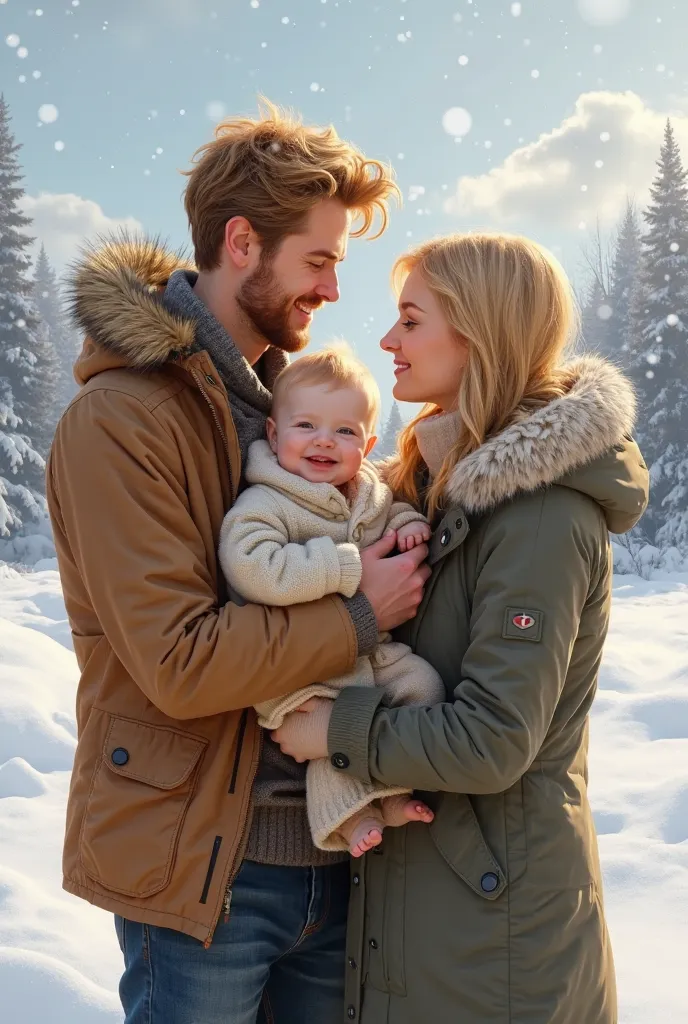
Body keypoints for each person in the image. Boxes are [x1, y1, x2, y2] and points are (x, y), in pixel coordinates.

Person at [46, 101, 431, 1024]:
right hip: (202, 877)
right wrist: (361, 609)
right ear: (243, 243)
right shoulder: (123, 422)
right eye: (319, 259)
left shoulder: (282, 418)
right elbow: (179, 663)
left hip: (332, 854)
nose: (335, 289)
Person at [273, 232, 650, 1024]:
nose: (387, 342)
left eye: (410, 321)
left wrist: (331, 730)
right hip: (434, 917)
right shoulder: (433, 492)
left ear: (476, 331)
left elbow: (493, 740)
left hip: (497, 944)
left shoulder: (541, 515)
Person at [218, 346, 444, 858]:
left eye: (344, 432)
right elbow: (252, 567)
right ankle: (350, 817)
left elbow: (395, 513)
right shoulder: (269, 500)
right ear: (274, 435)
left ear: (366, 445)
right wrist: (348, 566)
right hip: (299, 672)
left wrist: (409, 527)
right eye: (305, 426)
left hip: (369, 653)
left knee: (422, 685)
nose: (324, 441)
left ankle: (392, 795)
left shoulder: (368, 493)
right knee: (328, 731)